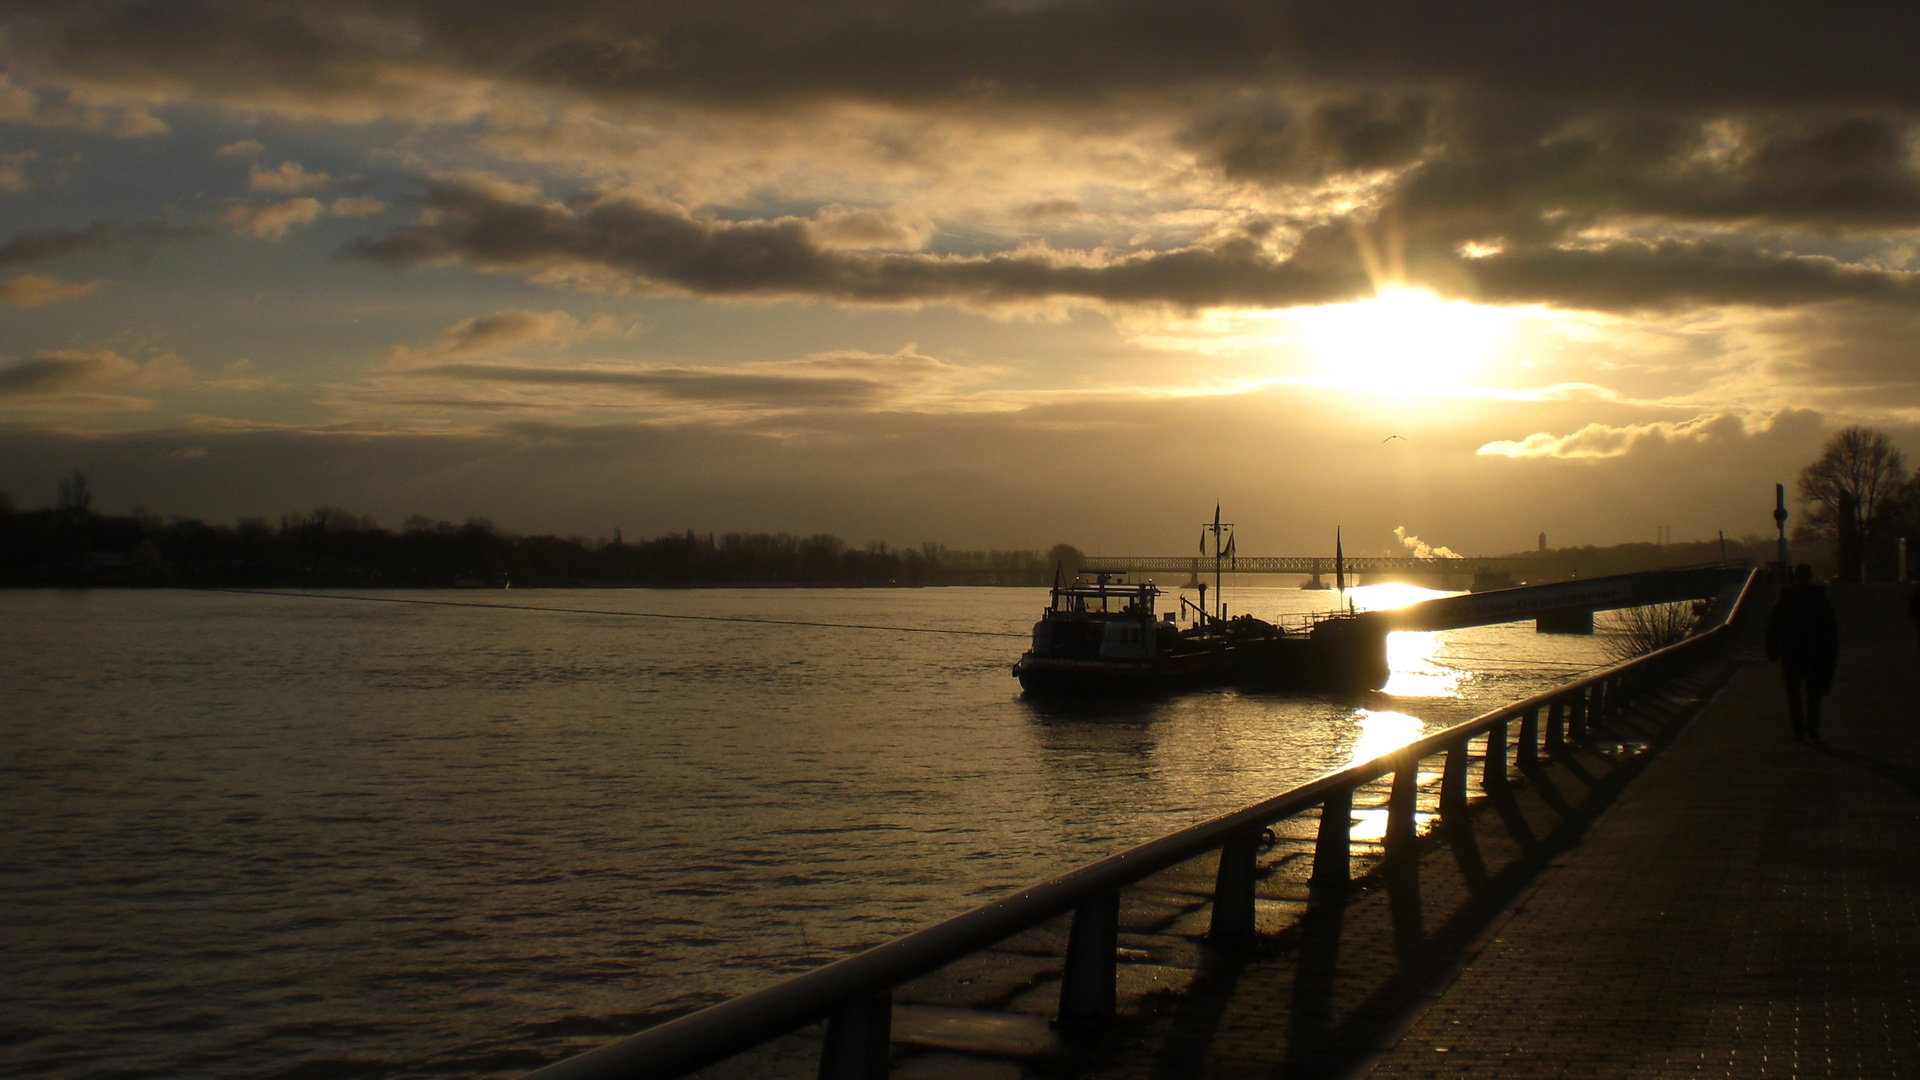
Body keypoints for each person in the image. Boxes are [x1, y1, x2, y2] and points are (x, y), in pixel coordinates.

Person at [1764, 564, 1839, 741]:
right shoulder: (1820, 598)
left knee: (1793, 693)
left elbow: (1773, 627)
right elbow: (1831, 629)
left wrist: (1772, 650)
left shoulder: (1785, 598)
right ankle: (1813, 726)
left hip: (1792, 653)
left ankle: (1798, 729)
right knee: (1814, 692)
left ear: (1794, 577)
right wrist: (1831, 654)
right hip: (1816, 652)